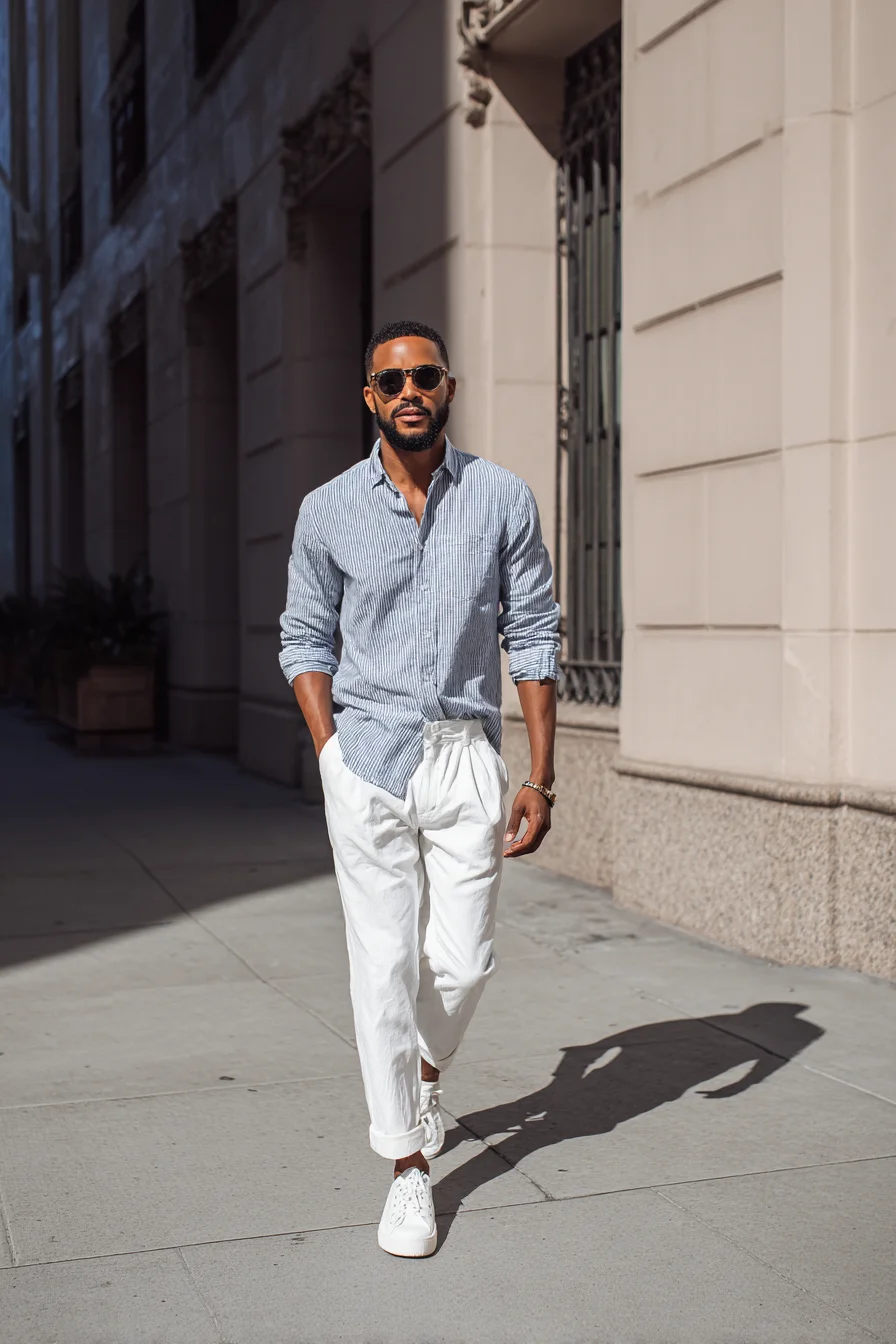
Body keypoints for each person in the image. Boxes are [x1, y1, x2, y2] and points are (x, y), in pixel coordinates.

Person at [279, 319, 560, 1258]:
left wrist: (542, 774)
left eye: (425, 375)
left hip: (466, 754)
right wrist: (329, 752)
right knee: (382, 965)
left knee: (466, 961)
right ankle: (407, 1167)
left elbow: (535, 633)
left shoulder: (501, 497)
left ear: (448, 388)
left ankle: (425, 1072)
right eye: (390, 378)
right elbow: (304, 639)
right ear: (369, 396)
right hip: (365, 755)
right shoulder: (327, 510)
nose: (409, 390)